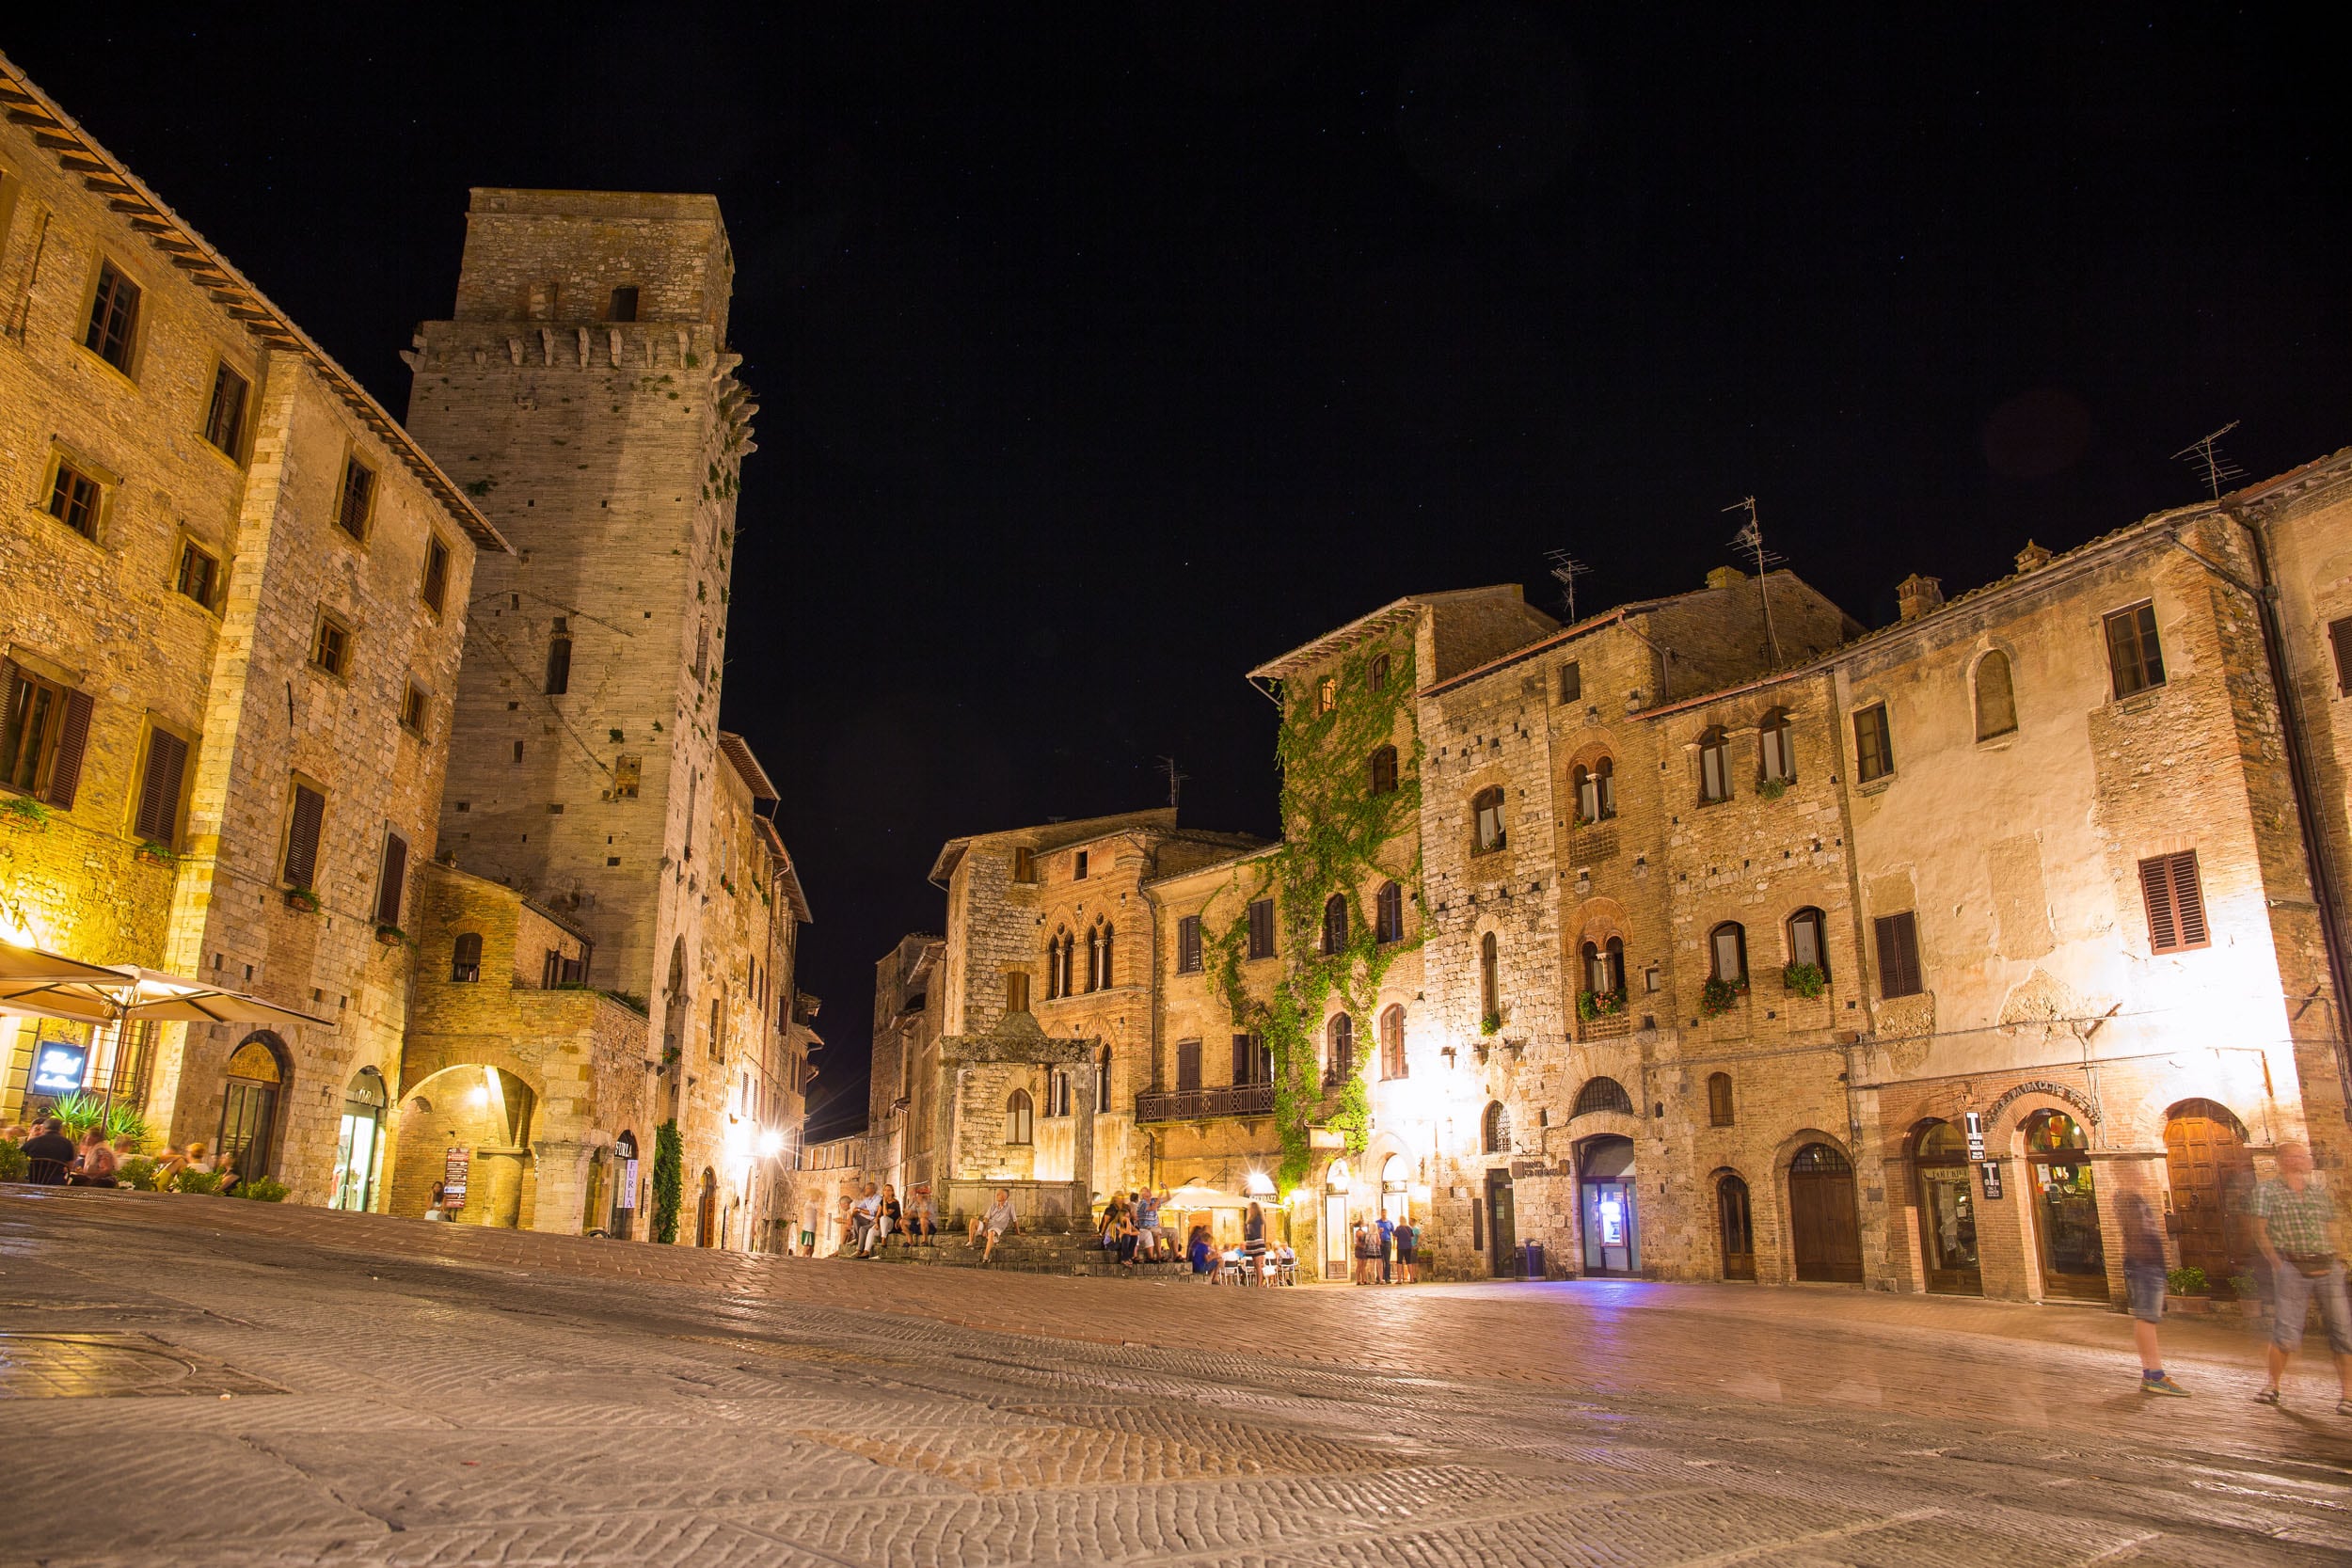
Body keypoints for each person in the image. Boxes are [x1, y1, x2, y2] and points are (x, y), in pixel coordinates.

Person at [2249, 1142, 2352, 1415]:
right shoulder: (2267, 1191)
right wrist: (2277, 1262)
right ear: (2283, 1160)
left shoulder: (2317, 1192)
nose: (2303, 1159)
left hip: (2327, 1267)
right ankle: (2272, 1386)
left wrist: (2339, 1258)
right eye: (2297, 1156)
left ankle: (2348, 1395)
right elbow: (2259, 1229)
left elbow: (2331, 1225)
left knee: (2342, 1332)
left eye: (2303, 1155)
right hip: (2293, 1266)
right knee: (2286, 1331)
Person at [2119, 1191, 2187, 1396]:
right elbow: (2133, 1234)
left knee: (2146, 1320)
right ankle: (2155, 1376)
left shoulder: (2133, 1198)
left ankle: (2151, 1374)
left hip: (2147, 1266)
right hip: (2145, 1267)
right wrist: (2147, 1263)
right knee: (2146, 1320)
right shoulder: (2130, 1200)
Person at [970, 1186, 1018, 1263]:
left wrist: (1018, 1232)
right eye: (997, 1193)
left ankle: (986, 1256)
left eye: (999, 1194)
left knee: (992, 1232)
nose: (997, 1195)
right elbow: (986, 1218)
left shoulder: (1010, 1206)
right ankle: (971, 1243)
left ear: (1004, 1197)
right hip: (988, 1225)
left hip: (998, 1227)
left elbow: (1015, 1220)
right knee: (973, 1221)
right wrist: (985, 1230)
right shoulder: (993, 1205)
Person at [22, 1118, 74, 1184]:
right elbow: (69, 1166)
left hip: (31, 1180)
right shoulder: (67, 1143)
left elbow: (20, 1160)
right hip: (55, 1182)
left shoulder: (32, 1142)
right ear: (60, 1129)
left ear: (43, 1128)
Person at [1133, 1187, 1164, 1261]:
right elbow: (1153, 1208)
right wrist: (1160, 1195)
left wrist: (1166, 1189)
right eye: (1147, 1196)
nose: (1149, 1197)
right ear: (1143, 1197)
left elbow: (1169, 1198)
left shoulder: (1153, 1201)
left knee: (1173, 1231)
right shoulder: (1142, 1203)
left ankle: (1176, 1255)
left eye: (1149, 1195)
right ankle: (1158, 1256)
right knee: (1155, 1231)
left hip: (1154, 1227)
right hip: (1146, 1227)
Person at [850, 1182, 881, 1257]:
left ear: (872, 1190)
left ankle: (859, 1250)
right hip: (869, 1220)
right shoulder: (867, 1200)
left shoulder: (878, 1199)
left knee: (862, 1229)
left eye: (867, 1188)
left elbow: (873, 1213)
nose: (865, 1190)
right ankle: (856, 1238)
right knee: (856, 1216)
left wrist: (859, 1210)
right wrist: (851, 1217)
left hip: (876, 1221)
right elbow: (856, 1208)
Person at [1243, 1200, 1268, 1285]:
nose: (1249, 1210)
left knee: (1257, 1264)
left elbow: (1255, 1232)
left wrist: (1247, 1230)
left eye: (1250, 1208)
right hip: (1251, 1241)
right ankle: (1258, 1282)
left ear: (1254, 1209)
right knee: (1255, 1264)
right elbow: (1248, 1232)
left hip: (1256, 1241)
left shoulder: (1257, 1218)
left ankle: (1259, 1284)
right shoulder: (1250, 1219)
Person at [1394, 1217, 1418, 1284]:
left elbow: (1395, 1237)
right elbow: (1412, 1237)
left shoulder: (1398, 1228)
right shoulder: (1409, 1228)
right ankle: (1412, 1279)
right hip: (1408, 1247)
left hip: (1400, 1247)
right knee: (1409, 1262)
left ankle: (1399, 1280)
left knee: (1399, 1262)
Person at [1377, 1213, 1395, 1284]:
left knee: (1387, 1261)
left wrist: (1394, 1243)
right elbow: (1374, 1232)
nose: (1384, 1215)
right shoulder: (1377, 1222)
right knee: (1379, 1261)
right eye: (1383, 1213)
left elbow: (1393, 1233)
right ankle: (1379, 1277)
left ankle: (1387, 1277)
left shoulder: (1390, 1223)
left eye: (1385, 1213)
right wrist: (1379, 1232)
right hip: (1380, 1242)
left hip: (1387, 1242)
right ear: (1381, 1214)